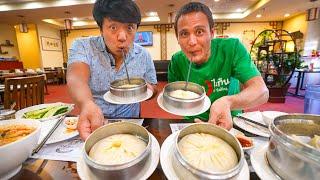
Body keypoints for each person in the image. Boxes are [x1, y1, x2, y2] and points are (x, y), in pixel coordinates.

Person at [168, 2, 269, 130]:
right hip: (192, 122)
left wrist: (227, 102)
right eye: (184, 34)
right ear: (177, 38)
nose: (192, 42)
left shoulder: (232, 48)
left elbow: (262, 92)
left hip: (229, 121)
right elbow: (176, 101)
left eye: (199, 32)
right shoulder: (176, 61)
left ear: (211, 33)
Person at [67, 0, 157, 140]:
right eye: (113, 27)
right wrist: (87, 104)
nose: (122, 37)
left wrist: (147, 90)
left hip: (132, 122)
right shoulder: (83, 46)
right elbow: (76, 78)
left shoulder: (144, 55)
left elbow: (153, 86)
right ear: (101, 28)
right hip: (96, 122)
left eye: (130, 28)